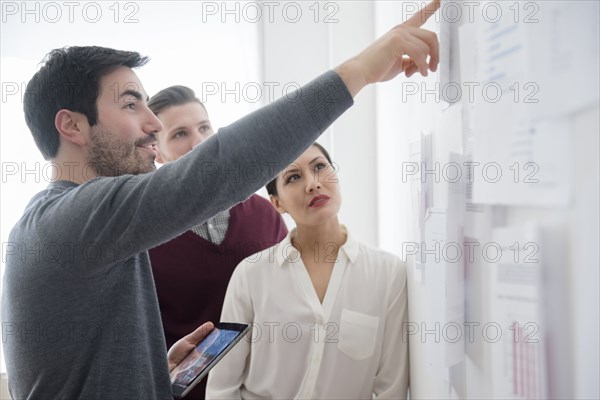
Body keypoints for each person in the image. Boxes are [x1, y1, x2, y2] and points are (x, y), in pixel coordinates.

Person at [0, 1, 440, 398]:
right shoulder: (67, 220)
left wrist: (155, 376)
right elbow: (217, 170)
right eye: (133, 105)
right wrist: (360, 70)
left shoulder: (76, 224)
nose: (152, 123)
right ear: (72, 126)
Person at [206, 143, 408, 399]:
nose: (313, 183)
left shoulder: (388, 274)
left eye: (320, 167)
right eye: (293, 177)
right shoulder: (250, 275)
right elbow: (222, 387)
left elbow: (392, 388)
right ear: (277, 203)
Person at [146, 85, 287, 399]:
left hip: (265, 390)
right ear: (157, 151)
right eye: (180, 134)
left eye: (204, 128)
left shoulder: (264, 213)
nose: (199, 142)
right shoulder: (145, 232)